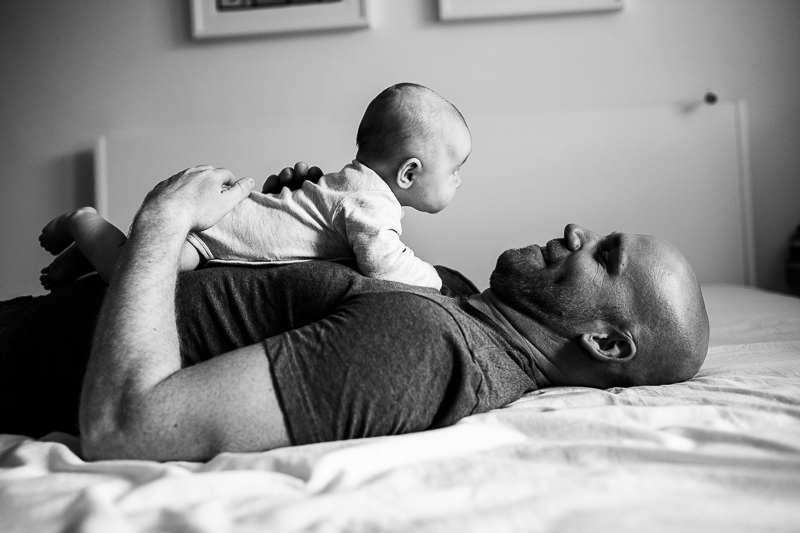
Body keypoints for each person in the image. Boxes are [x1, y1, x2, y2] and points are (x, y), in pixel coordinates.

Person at [0, 164, 709, 462]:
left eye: (606, 254)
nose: (580, 230)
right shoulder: (452, 295)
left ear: (606, 342)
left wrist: (164, 220)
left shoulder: (425, 345)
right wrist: (293, 222)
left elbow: (128, 428)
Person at [38, 83, 471, 291]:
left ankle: (82, 256)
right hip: (213, 234)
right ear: (408, 174)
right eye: (454, 169)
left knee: (128, 261)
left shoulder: (354, 186)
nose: (458, 180)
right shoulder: (370, 202)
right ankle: (83, 222)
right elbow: (385, 265)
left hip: (226, 224)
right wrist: (437, 282)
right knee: (129, 273)